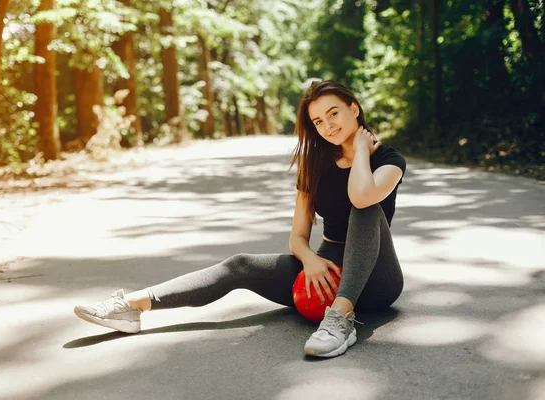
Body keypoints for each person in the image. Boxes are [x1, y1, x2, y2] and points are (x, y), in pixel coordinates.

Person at [74, 80, 406, 359]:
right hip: (326, 271)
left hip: (376, 280)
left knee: (364, 207)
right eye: (318, 121)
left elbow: (362, 196)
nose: (327, 125)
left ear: (353, 108)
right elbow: (297, 237)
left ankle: (341, 317)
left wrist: (362, 151)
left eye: (333, 113)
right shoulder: (315, 164)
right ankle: (132, 306)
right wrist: (310, 261)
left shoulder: (389, 159)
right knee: (240, 264)